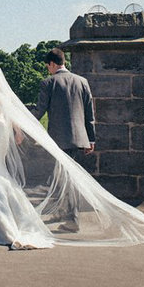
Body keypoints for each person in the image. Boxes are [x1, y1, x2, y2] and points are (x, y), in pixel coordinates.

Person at [0, 57, 144, 250]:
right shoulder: (4, 90)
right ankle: (63, 215)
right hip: (4, 131)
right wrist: (19, 131)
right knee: (1, 168)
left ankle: (5, 216)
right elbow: (89, 113)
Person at [34, 47, 95, 231]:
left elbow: (39, 110)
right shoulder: (82, 81)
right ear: (64, 62)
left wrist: (20, 120)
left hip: (59, 140)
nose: (48, 70)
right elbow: (89, 113)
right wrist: (91, 139)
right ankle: (62, 212)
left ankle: (73, 220)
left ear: (52, 64)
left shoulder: (48, 83)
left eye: (48, 66)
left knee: (68, 179)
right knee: (63, 177)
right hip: (80, 139)